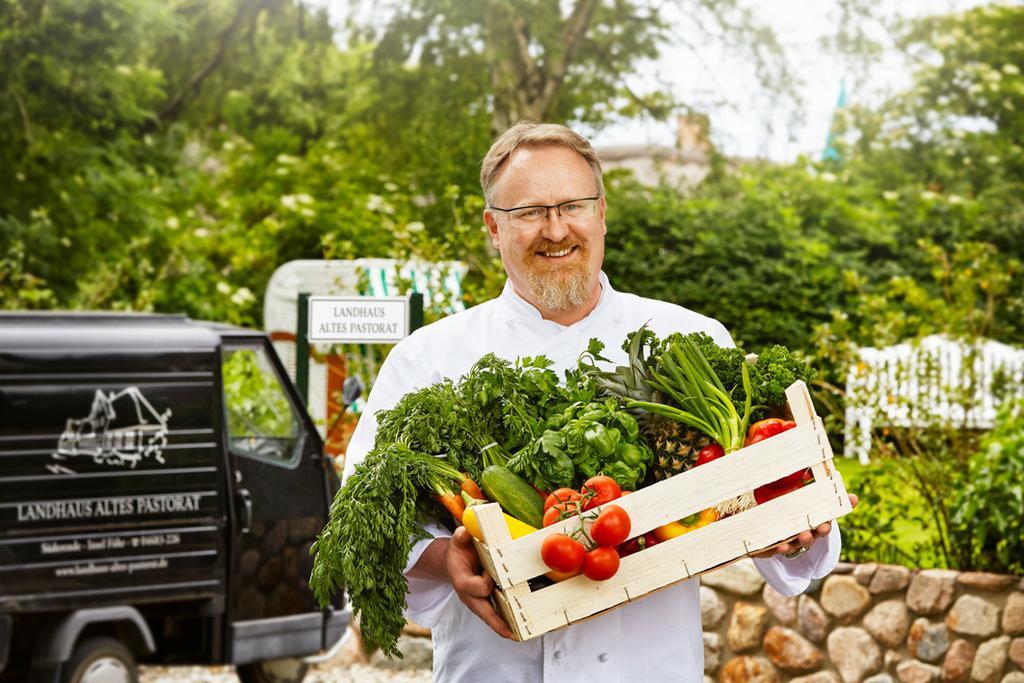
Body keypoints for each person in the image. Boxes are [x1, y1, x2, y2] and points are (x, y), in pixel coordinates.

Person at [342, 122, 852, 681]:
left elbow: (792, 540)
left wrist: (792, 529)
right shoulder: (427, 358)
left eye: (573, 206)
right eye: (530, 212)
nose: (555, 229)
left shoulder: (689, 337)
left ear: (602, 213)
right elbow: (362, 528)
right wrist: (447, 560)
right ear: (493, 227)